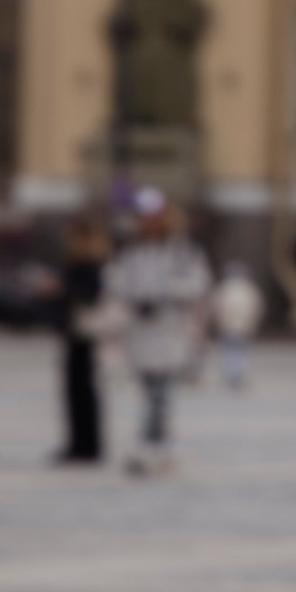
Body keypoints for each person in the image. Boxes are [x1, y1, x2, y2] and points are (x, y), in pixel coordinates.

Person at [105, 191, 210, 476]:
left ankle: (146, 445)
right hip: (140, 331)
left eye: (153, 217)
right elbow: (116, 281)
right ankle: (165, 444)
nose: (148, 223)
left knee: (161, 392)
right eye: (143, 218)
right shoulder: (131, 252)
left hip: (169, 330)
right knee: (150, 391)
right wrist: (136, 298)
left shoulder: (183, 252)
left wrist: (164, 296)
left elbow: (197, 284)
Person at [52, 210, 113, 463]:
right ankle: (82, 444)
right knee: (81, 389)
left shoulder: (89, 263)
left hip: (84, 330)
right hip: (77, 330)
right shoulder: (94, 261)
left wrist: (61, 289)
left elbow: (88, 296)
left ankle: (84, 446)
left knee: (81, 389)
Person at [210, 260, 264, 388]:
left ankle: (231, 375)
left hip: (228, 325)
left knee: (229, 352)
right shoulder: (249, 290)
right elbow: (256, 308)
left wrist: (218, 321)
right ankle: (237, 375)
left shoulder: (224, 289)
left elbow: (216, 307)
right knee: (240, 351)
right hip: (242, 326)